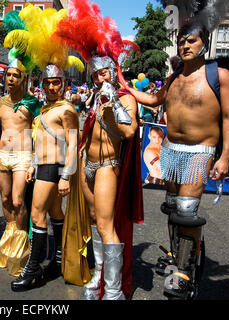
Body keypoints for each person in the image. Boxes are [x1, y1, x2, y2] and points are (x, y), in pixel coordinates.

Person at [125, 20, 229, 299]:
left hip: (200, 152)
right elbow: (153, 100)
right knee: (173, 208)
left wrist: (224, 157)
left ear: (205, 42)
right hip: (170, 150)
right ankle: (180, 258)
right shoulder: (175, 77)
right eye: (181, 41)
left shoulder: (219, 76)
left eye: (192, 41)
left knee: (187, 210)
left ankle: (184, 275)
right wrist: (123, 87)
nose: (185, 46)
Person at [56, 0, 144, 300]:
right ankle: (98, 276)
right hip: (87, 165)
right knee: (94, 221)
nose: (98, 79)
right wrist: (73, 168)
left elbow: (130, 130)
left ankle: (115, 290)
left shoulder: (124, 97)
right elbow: (83, 135)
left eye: (102, 74)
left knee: (107, 226)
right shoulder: (94, 99)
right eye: (94, 76)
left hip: (108, 165)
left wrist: (114, 101)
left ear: (111, 71)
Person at [5, 4, 87, 292]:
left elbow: (74, 144)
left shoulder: (67, 110)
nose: (53, 87)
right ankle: (59, 258)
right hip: (41, 166)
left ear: (64, 84)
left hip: (54, 169)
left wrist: (66, 175)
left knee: (37, 214)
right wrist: (29, 165)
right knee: (54, 214)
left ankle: (33, 269)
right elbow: (39, 140)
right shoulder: (44, 108)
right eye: (49, 83)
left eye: (57, 83)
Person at [0, 11, 42, 276]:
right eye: (8, 75)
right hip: (2, 155)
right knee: (6, 199)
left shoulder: (32, 102)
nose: (10, 79)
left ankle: (21, 244)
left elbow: (40, 132)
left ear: (23, 78)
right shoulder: (0, 102)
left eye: (14, 76)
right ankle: (8, 241)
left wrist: (33, 161)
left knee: (20, 201)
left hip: (22, 156)